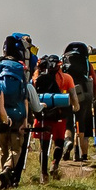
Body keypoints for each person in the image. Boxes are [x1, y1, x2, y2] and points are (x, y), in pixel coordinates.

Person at [0, 40, 34, 189]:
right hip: (17, 115)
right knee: (16, 149)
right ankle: (7, 169)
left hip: (0, 114)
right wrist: (25, 120)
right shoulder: (20, 69)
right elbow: (24, 97)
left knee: (3, 149)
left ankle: (3, 179)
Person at [31, 51, 74, 180]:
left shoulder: (37, 78)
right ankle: (54, 163)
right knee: (59, 142)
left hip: (42, 115)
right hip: (58, 116)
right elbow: (72, 97)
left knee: (43, 147)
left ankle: (43, 174)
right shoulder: (66, 78)